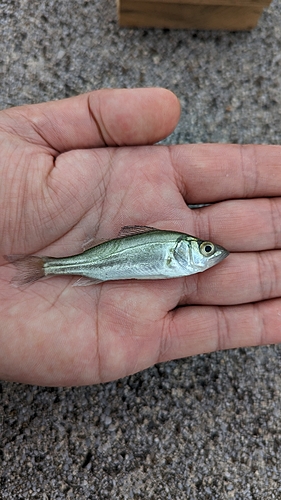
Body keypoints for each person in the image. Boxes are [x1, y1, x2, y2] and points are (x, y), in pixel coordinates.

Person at [0, 87, 280, 386]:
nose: (213, 252)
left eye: (208, 249)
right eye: (206, 248)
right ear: (185, 248)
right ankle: (47, 266)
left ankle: (48, 266)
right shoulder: (174, 248)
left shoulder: (176, 253)